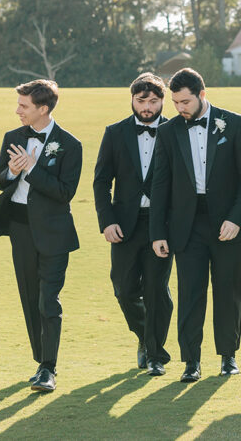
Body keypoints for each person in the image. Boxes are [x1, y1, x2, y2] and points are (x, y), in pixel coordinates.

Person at [149, 68, 241, 381]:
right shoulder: (168, 132)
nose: (180, 108)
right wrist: (157, 232)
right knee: (190, 293)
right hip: (186, 225)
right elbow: (160, 183)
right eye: (175, 102)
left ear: (202, 94)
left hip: (227, 223)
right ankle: (191, 361)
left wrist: (236, 219)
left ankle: (228, 356)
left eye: (185, 101)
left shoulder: (234, 123)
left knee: (228, 291)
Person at [0, 79, 81, 392]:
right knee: (29, 297)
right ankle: (41, 360)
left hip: (54, 233)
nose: (18, 111)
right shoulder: (12, 137)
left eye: (23, 106)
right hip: (20, 229)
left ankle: (48, 368)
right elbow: (1, 181)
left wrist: (31, 168)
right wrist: (12, 172)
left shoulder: (70, 145)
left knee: (47, 300)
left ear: (43, 109)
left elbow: (65, 192)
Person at [93, 73, 173, 376]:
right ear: (132, 100)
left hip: (161, 224)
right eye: (141, 101)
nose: (147, 107)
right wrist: (107, 221)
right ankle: (145, 336)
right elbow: (101, 181)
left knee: (156, 290)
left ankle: (154, 354)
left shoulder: (175, 131)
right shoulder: (114, 133)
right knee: (124, 290)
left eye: (153, 101)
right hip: (124, 225)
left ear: (162, 101)